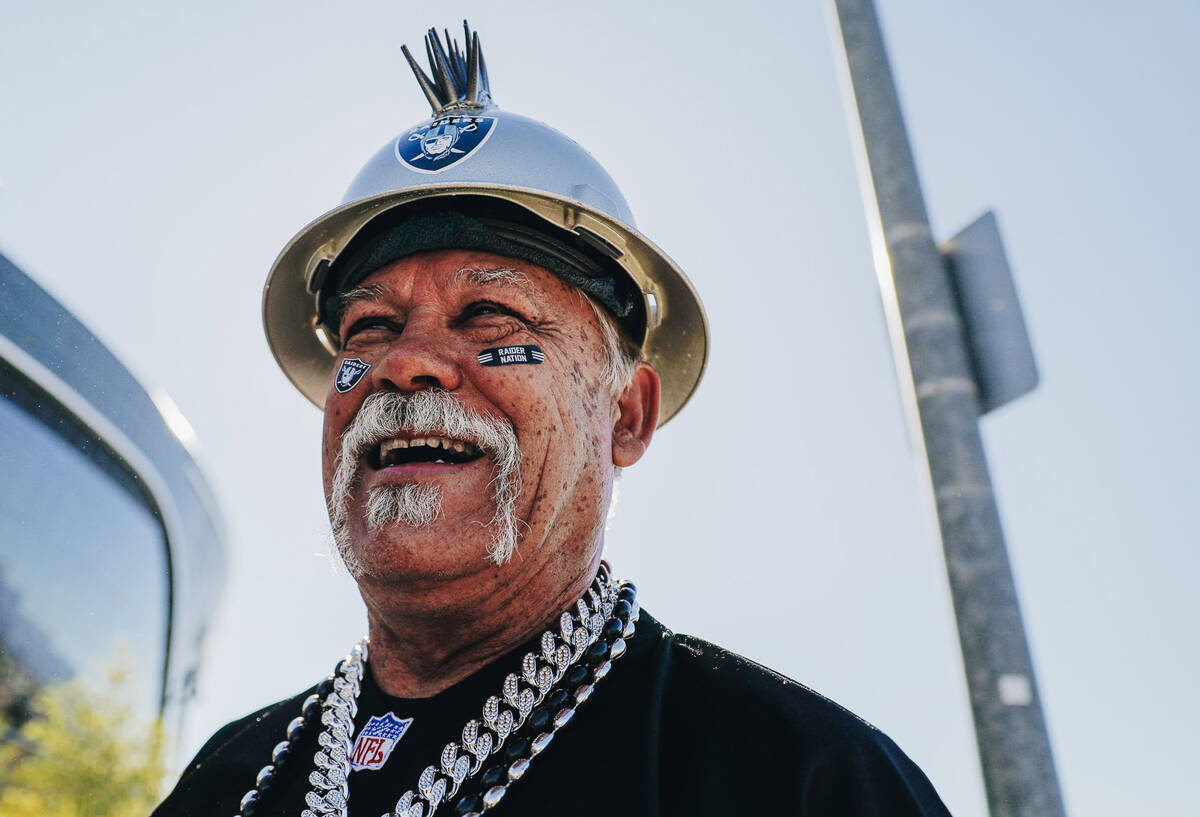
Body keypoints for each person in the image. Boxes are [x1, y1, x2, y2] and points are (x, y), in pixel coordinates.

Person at [153, 24, 952, 817]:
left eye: (491, 315)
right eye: (371, 328)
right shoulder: (228, 782)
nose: (406, 362)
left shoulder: (796, 778)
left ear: (628, 414)